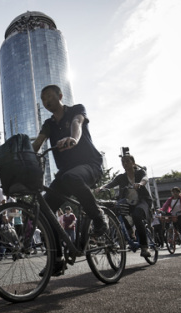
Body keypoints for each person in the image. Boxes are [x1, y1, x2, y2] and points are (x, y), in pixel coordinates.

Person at [32, 84, 107, 276]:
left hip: (90, 164)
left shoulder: (76, 109)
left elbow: (78, 123)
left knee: (72, 177)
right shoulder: (49, 124)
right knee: (45, 209)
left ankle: (99, 217)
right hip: (65, 173)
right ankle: (57, 259)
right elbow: (38, 142)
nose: (46, 101)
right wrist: (23, 156)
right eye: (43, 99)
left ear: (60, 95)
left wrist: (73, 138)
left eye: (49, 96)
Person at [96, 155, 153, 258]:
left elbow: (145, 179)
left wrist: (140, 184)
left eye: (127, 161)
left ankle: (145, 247)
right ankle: (130, 232)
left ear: (133, 163)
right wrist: (102, 187)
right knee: (117, 210)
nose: (125, 164)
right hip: (128, 202)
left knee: (136, 216)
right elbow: (111, 183)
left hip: (142, 201)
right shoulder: (121, 177)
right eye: (123, 162)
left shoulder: (140, 172)